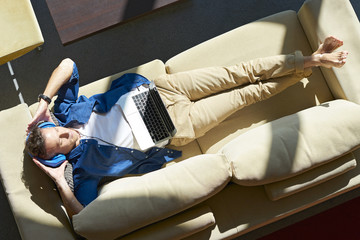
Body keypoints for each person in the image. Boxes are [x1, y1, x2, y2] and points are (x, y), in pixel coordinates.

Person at [25, 36, 348, 219]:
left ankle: (311, 60)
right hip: (176, 126)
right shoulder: (82, 171)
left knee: (240, 72)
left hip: (161, 90)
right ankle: (305, 68)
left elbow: (68, 65)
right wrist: (58, 181)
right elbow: (84, 217)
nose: (67, 135)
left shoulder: (65, 112)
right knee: (249, 94)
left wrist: (43, 103)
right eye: (62, 144)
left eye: (59, 131)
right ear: (59, 157)